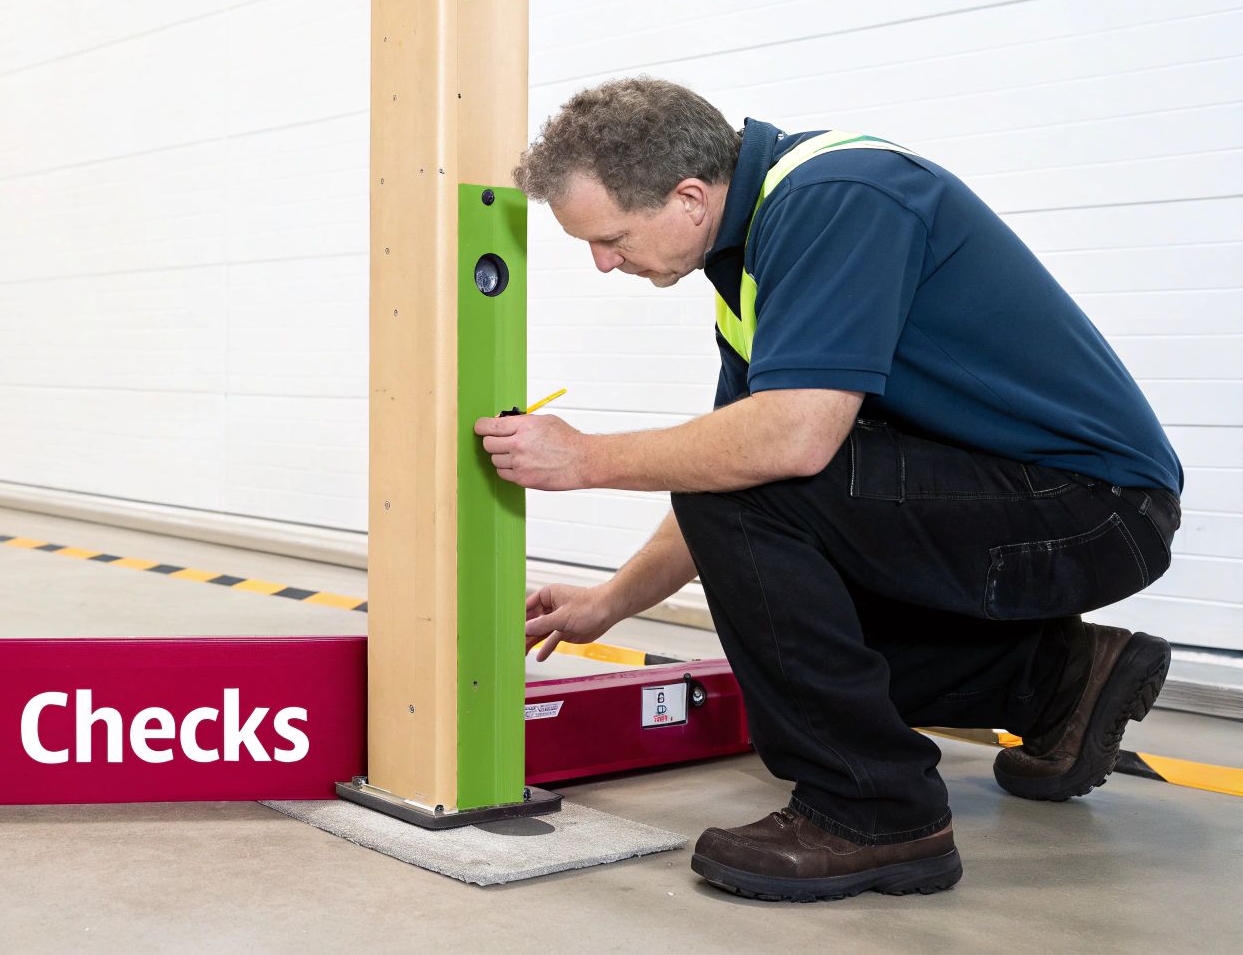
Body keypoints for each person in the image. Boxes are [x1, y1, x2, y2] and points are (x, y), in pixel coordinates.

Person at [474, 77, 1182, 902]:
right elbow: (732, 463)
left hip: (1093, 510)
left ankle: (874, 810)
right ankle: (1057, 679)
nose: (603, 263)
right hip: (1022, 503)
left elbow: (783, 447)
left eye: (610, 237)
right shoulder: (749, 266)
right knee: (779, 624)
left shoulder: (839, 197)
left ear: (689, 197)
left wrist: (586, 459)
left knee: (756, 516)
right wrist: (610, 603)